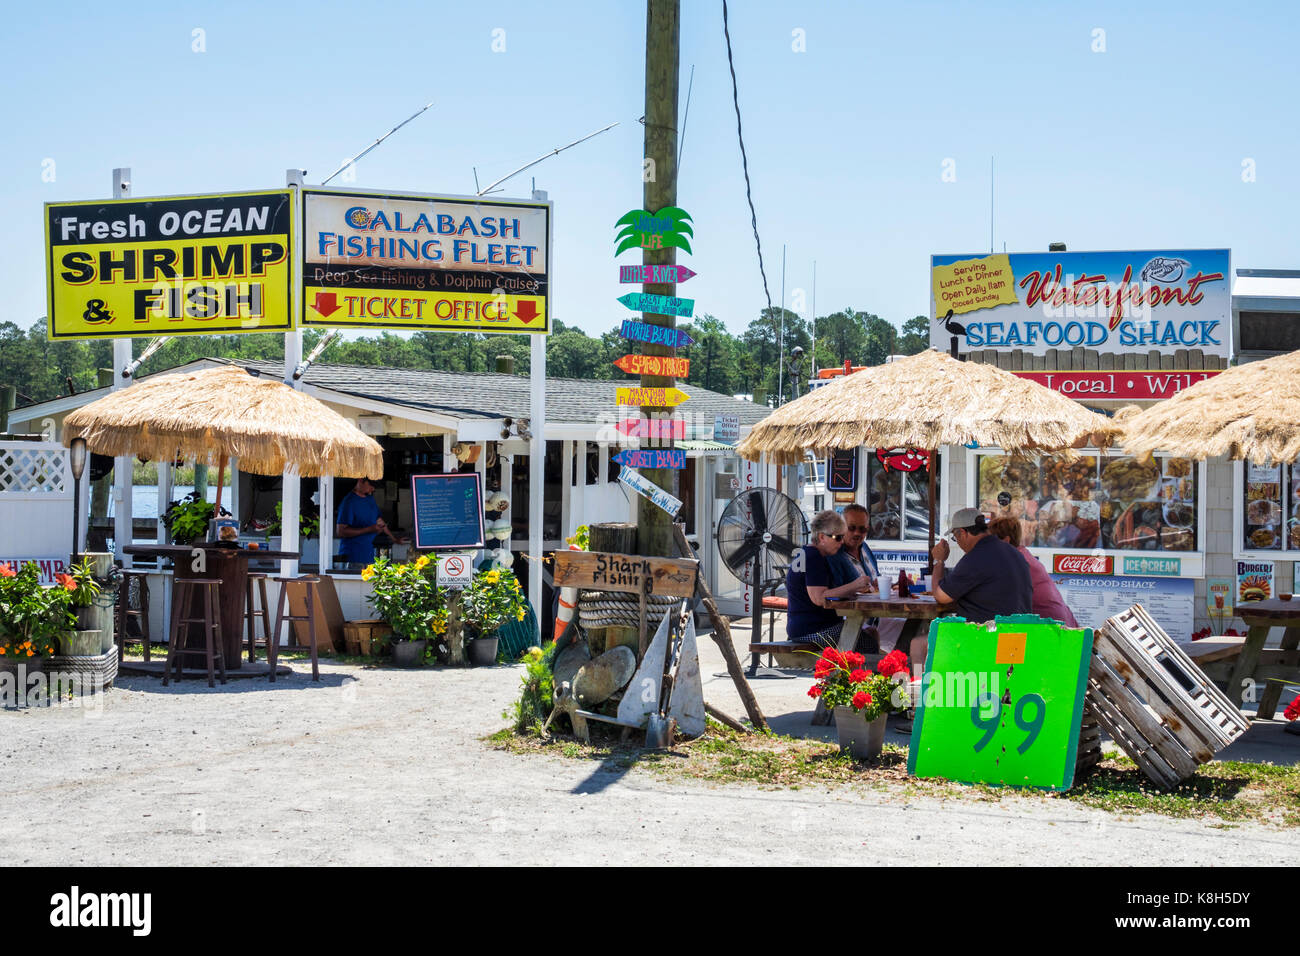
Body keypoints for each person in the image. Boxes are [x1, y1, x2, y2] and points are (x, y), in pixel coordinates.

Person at [785, 510, 872, 646]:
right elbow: (819, 598)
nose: (841, 542)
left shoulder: (806, 553)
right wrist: (855, 586)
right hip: (813, 629)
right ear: (821, 537)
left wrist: (849, 591)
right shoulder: (814, 557)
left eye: (842, 537)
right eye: (838, 537)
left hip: (803, 627)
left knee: (870, 633)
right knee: (869, 642)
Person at [930, 507, 1033, 621]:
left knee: (921, 632)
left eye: (955, 538)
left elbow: (941, 596)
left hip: (988, 630)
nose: (958, 542)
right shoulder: (1013, 552)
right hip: (1019, 629)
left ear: (963, 533)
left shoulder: (976, 557)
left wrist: (939, 561)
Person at [988, 517, 1079, 627]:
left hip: (1051, 628)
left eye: (989, 541)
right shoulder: (1022, 555)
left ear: (1006, 541)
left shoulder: (1014, 562)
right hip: (1061, 624)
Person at [336, 477, 405, 565]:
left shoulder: (370, 499)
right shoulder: (349, 502)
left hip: (370, 555)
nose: (373, 489)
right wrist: (369, 529)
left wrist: (395, 540)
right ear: (360, 480)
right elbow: (340, 532)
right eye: (371, 485)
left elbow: (380, 521)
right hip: (353, 557)